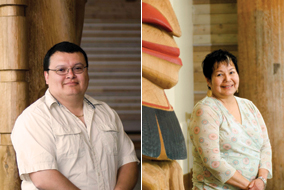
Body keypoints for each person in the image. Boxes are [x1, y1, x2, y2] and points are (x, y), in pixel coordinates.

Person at [11, 41, 139, 190]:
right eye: (61, 70)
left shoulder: (106, 112)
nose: (70, 75)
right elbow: (43, 177)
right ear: (46, 76)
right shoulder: (33, 119)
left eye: (78, 68)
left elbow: (128, 161)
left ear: (87, 73)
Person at [189, 50, 272, 190]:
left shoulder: (249, 106)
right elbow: (212, 161)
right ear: (208, 80)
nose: (228, 79)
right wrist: (251, 187)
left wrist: (262, 179)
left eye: (232, 72)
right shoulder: (205, 110)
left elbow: (265, 145)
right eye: (220, 74)